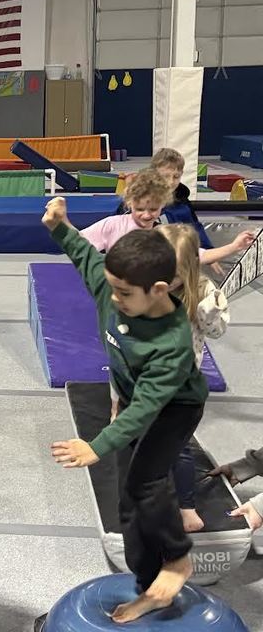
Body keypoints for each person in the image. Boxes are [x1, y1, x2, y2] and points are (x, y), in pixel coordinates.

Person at [43, 196, 207, 623]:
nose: (112, 298)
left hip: (175, 407)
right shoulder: (112, 287)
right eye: (111, 287)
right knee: (128, 500)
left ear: (159, 290)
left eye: (124, 293)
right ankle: (148, 581)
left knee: (148, 481)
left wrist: (96, 446)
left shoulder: (170, 343)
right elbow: (84, 254)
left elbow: (148, 409)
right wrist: (59, 225)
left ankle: (178, 560)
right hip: (134, 396)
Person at [158, 224, 230, 533]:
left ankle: (187, 506)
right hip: (147, 379)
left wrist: (209, 312)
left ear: (189, 266)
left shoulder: (204, 291)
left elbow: (216, 332)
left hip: (183, 386)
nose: (164, 277)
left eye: (172, 271)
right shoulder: (147, 283)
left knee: (179, 446)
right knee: (145, 440)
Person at [82, 167, 255, 263]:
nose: (146, 215)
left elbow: (198, 256)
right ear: (130, 203)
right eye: (140, 209)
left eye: (154, 209)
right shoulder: (112, 225)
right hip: (121, 304)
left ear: (162, 205)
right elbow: (76, 242)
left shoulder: (167, 235)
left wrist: (234, 247)